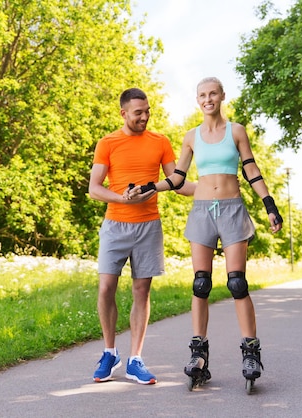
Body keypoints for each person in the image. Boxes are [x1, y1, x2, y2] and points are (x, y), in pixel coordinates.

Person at [128, 77, 283, 386]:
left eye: (213, 93)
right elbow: (177, 177)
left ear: (222, 96)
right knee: (200, 284)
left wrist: (270, 204)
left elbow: (251, 169)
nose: (208, 99)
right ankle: (198, 353)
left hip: (232, 209)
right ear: (197, 100)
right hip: (201, 211)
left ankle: (251, 351)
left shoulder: (236, 131)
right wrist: (150, 187)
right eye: (202, 95)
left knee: (237, 283)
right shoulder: (191, 137)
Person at [88, 88, 195, 384]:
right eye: (138, 113)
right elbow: (94, 187)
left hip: (149, 225)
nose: (145, 117)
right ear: (123, 113)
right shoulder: (107, 143)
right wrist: (122, 199)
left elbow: (177, 182)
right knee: (106, 287)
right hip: (116, 224)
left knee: (141, 291)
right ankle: (110, 352)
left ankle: (135, 358)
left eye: (147, 111)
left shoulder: (160, 142)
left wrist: (213, 186)